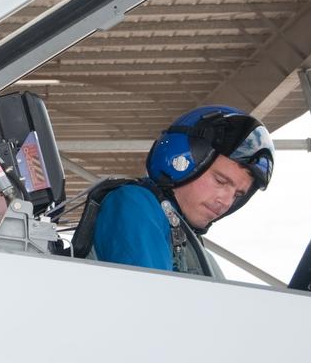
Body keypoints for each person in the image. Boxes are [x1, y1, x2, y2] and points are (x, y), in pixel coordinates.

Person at [74, 105, 274, 277]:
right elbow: (153, 305)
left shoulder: (197, 252)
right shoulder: (136, 205)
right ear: (182, 160)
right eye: (220, 181)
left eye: (238, 194)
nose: (226, 201)